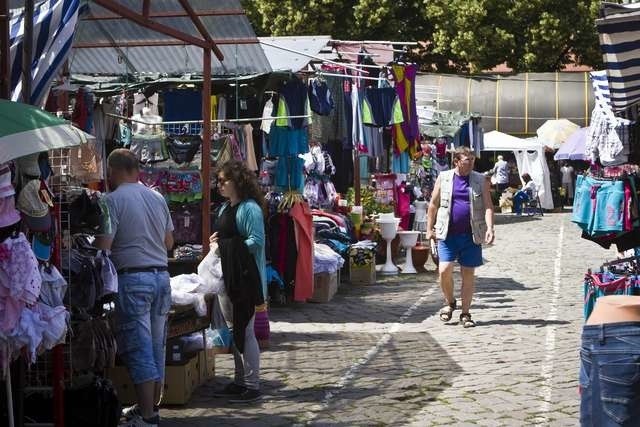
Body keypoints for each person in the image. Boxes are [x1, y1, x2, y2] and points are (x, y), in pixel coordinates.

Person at [95, 149, 174, 427]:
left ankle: (149, 417)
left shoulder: (110, 201)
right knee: (155, 346)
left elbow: (104, 246)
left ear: (113, 171)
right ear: (136, 169)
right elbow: (169, 242)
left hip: (133, 280)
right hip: (162, 278)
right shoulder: (157, 197)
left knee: (139, 349)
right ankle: (147, 408)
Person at [210, 159, 266, 404]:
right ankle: (240, 380)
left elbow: (257, 241)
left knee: (247, 330)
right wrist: (218, 241)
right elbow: (225, 237)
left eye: (224, 181)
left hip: (245, 278)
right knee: (235, 331)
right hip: (227, 278)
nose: (219, 185)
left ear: (238, 182)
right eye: (218, 181)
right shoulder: (224, 209)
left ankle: (252, 384)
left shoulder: (250, 208)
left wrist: (226, 248)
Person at [426, 147, 495, 328]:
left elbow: (488, 205)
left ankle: (465, 313)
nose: (471, 163)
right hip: (447, 233)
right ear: (456, 161)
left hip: (471, 234)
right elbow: (433, 204)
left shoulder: (480, 180)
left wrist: (490, 228)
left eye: (472, 159)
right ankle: (450, 301)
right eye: (467, 160)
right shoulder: (445, 177)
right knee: (444, 270)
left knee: (468, 274)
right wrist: (428, 229)